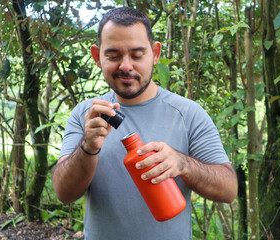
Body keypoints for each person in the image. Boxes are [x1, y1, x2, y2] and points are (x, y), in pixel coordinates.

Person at [53, 6, 237, 239]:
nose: (126, 66)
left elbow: (229, 190)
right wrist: (88, 147)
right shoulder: (86, 114)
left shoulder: (188, 113)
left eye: (137, 55)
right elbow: (63, 193)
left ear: (155, 53)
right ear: (97, 57)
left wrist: (183, 164)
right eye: (113, 55)